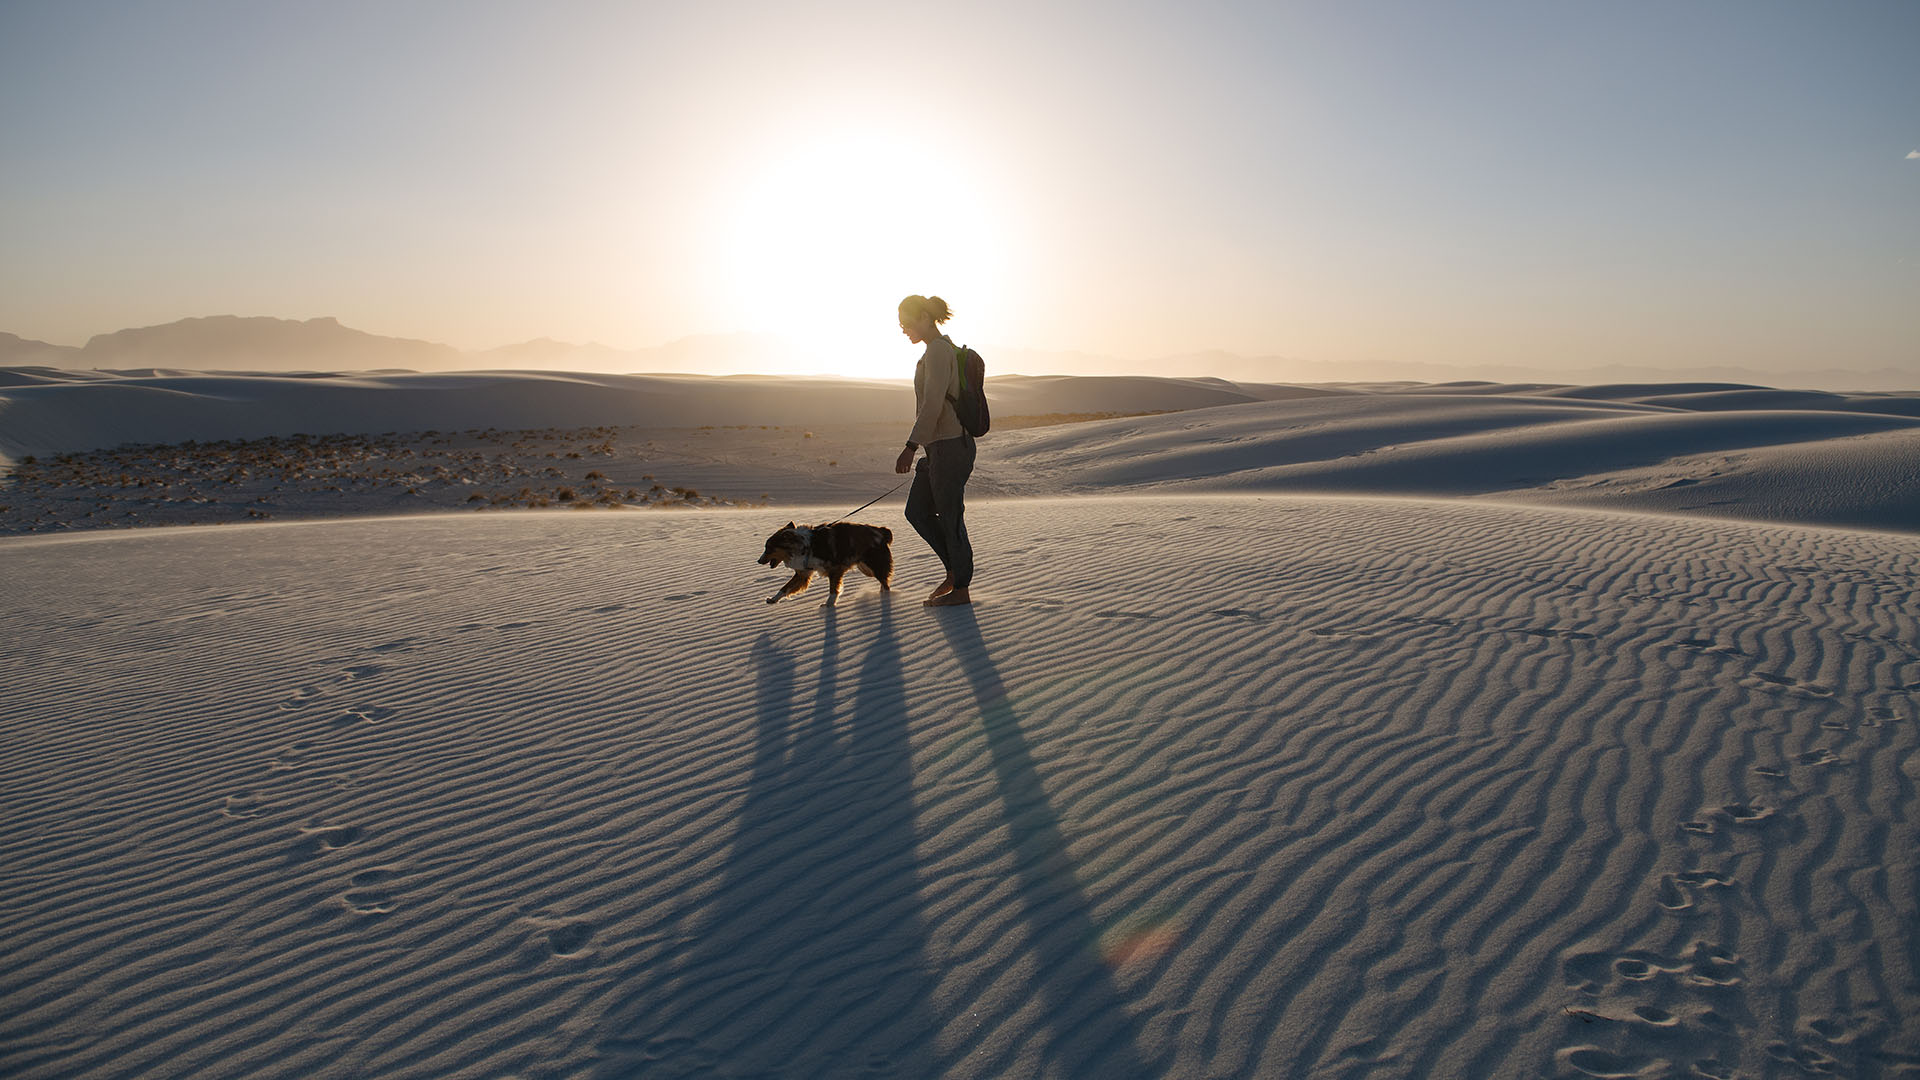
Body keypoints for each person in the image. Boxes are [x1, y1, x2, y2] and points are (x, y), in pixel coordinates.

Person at [893, 294, 975, 606]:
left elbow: (933, 404)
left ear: (925, 319)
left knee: (951, 515)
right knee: (916, 510)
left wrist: (910, 446)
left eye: (906, 322)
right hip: (938, 448)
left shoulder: (940, 351)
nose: (903, 329)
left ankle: (961, 589)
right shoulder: (934, 351)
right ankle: (954, 572)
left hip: (950, 447)